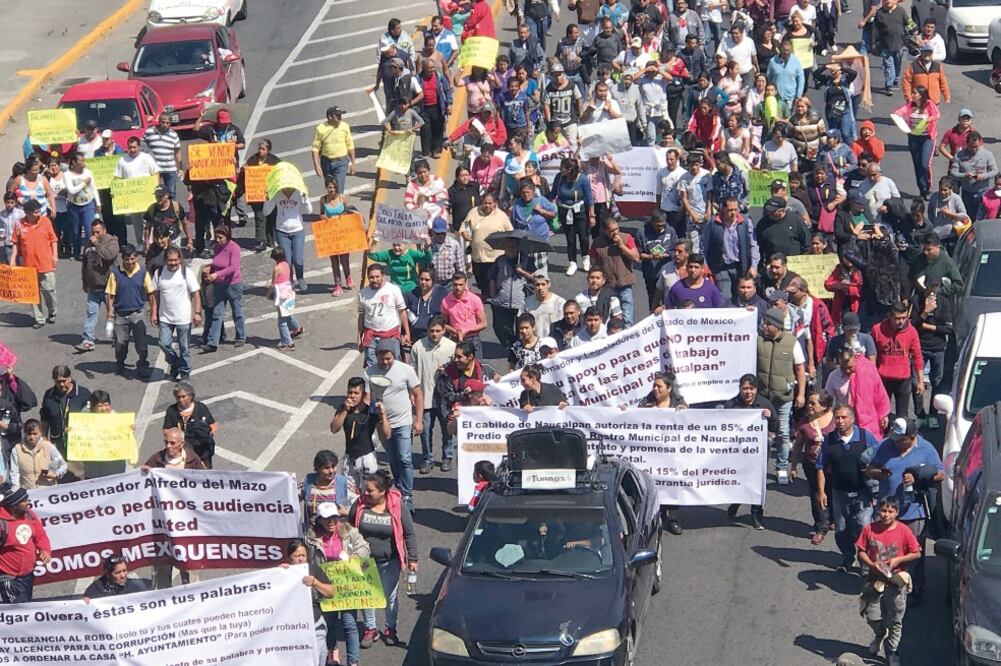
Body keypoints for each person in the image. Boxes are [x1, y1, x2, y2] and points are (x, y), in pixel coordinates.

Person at [865, 417, 945, 604]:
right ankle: (887, 584)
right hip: (887, 512)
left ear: (912, 437)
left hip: (914, 512)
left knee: (913, 552)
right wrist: (880, 474)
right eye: (895, 438)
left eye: (901, 440)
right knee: (885, 550)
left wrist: (920, 475)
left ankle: (915, 589)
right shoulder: (885, 445)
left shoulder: (926, 448)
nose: (896, 443)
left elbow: (941, 474)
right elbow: (870, 468)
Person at [349, 470, 419, 648]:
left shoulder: (397, 505)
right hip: (364, 561)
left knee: (390, 597)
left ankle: (390, 629)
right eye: (365, 489)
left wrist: (413, 558)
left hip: (390, 562)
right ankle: (370, 628)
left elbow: (409, 533)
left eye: (370, 490)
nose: (365, 493)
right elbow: (348, 526)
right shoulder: (360, 504)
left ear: (382, 491)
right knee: (367, 595)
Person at [816, 404, 881, 573]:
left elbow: (879, 458)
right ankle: (847, 558)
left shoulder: (866, 438)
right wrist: (822, 492)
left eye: (844, 417)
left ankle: (865, 563)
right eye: (837, 417)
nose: (840, 421)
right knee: (842, 528)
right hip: (839, 492)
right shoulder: (829, 440)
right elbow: (821, 467)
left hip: (862, 492)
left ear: (852, 419)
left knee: (864, 527)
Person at [855, 496, 920, 664]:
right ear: (878, 511)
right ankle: (879, 634)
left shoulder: (904, 531)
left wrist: (898, 561)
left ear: (897, 513)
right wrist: (871, 564)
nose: (886, 515)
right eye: (883, 511)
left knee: (895, 619)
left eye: (890, 512)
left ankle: (892, 651)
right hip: (874, 580)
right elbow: (861, 551)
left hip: (896, 581)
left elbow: (917, 552)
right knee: (871, 615)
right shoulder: (870, 529)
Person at [304, 504, 367, 666]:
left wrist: (354, 556)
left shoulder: (349, 531)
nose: (331, 522)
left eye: (334, 517)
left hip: (348, 586)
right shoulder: (310, 538)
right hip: (325, 587)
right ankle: (332, 658)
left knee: (349, 624)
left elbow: (365, 547)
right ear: (319, 520)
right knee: (329, 625)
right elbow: (304, 558)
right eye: (326, 519)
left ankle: (353, 661)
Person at [365, 340, 422, 510]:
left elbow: (418, 395)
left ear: (394, 355)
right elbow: (367, 398)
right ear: (376, 357)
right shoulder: (369, 373)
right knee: (393, 458)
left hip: (403, 421)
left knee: (404, 457)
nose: (385, 362)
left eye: (389, 358)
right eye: (382, 359)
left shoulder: (406, 370)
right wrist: (371, 407)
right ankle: (398, 488)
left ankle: (407, 495)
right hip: (383, 424)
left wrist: (418, 420)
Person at [758, 307, 807, 484]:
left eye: (768, 323)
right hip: (763, 396)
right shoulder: (758, 340)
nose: (764, 325)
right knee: (762, 433)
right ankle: (759, 467)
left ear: (777, 325)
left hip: (784, 397)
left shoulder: (791, 342)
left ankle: (781, 467)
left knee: (783, 432)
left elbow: (800, 369)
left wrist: (801, 394)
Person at [725, 375, 778, 530]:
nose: (748, 392)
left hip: (759, 452)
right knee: (740, 479)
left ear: (756, 390)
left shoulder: (764, 404)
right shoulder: (732, 405)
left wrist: (770, 417)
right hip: (738, 451)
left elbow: (775, 427)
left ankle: (756, 515)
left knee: (757, 483)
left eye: (751, 389)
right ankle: (736, 502)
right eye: (745, 389)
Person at [409, 317, 456, 474]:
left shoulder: (452, 347)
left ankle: (447, 457)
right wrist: (411, 394)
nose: (434, 334)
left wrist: (448, 370)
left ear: (444, 330)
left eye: (438, 331)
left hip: (445, 399)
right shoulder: (418, 347)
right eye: (431, 331)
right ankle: (427, 458)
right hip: (425, 397)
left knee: (447, 429)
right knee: (425, 431)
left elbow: (459, 370)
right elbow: (412, 371)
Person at [790, 391, 836, 545]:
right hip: (812, 465)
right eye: (809, 402)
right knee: (817, 495)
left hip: (833, 466)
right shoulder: (804, 422)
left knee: (833, 492)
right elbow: (798, 446)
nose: (809, 406)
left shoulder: (836, 421)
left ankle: (833, 519)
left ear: (824, 406)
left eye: (813, 403)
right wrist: (794, 466)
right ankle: (820, 528)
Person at [283, 539, 338, 666]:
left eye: (303, 555)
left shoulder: (314, 570)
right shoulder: (283, 573)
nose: (301, 559)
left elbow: (331, 593)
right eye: (297, 556)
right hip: (293, 628)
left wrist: (315, 583)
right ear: (289, 558)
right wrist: (279, 574)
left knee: (318, 660)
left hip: (315, 625)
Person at [150, 246, 202, 379]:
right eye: (170, 260)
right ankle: (175, 363)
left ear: (180, 260)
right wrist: (154, 312)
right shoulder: (159, 273)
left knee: (184, 348)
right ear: (165, 260)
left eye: (175, 260)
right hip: (165, 317)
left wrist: (197, 313)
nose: (173, 263)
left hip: (183, 318)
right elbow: (155, 295)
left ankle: (184, 372)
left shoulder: (186, 273)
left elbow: (196, 293)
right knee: (163, 343)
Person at [105, 244, 153, 377]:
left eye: (132, 259)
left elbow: (151, 293)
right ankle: (120, 363)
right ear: (123, 259)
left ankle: (143, 364)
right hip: (120, 315)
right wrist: (110, 312)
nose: (130, 262)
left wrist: (153, 310)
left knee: (141, 343)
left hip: (137, 313)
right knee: (120, 343)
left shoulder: (143, 272)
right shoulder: (115, 273)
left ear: (136, 258)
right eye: (127, 259)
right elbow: (110, 295)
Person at [9, 199, 58, 329]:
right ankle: (39, 318)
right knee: (33, 295)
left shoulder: (45, 221)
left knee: (49, 291)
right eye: (35, 212)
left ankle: (52, 311)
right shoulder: (19, 224)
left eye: (39, 211)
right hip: (28, 266)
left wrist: (55, 256)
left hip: (46, 263)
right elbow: (15, 243)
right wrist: (13, 259)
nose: (38, 214)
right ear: (28, 213)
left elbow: (53, 240)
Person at [0, 483, 51, 603]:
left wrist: (45, 550)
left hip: (28, 575)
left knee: (26, 604)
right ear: (13, 504)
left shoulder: (29, 514)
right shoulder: (2, 524)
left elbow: (40, 535)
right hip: (10, 578)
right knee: (18, 612)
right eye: (23, 500)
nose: (28, 502)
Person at [871, 303, 923, 419]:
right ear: (890, 316)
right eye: (897, 318)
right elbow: (871, 356)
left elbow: (917, 356)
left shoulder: (911, 331)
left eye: (904, 318)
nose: (901, 321)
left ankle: (901, 437)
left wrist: (920, 380)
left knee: (902, 417)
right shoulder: (877, 329)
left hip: (903, 380)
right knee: (881, 413)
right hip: (883, 379)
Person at [331, 377, 385, 489]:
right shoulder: (343, 409)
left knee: (368, 491)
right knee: (350, 493)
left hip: (367, 458)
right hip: (349, 458)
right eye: (350, 392)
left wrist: (383, 416)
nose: (352, 396)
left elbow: (386, 434)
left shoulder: (370, 411)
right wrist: (345, 410)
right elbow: (334, 429)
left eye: (356, 393)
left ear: (363, 394)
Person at [891, 86, 940, 200]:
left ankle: (928, 187)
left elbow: (937, 114)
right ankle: (922, 189)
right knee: (917, 165)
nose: (912, 95)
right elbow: (898, 113)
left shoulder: (929, 104)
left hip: (927, 138)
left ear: (921, 95)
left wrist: (928, 119)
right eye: (912, 93)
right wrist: (898, 118)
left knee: (924, 163)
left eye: (915, 93)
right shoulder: (910, 106)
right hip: (913, 138)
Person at [203, 225, 246, 352]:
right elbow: (217, 263)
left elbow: (233, 267)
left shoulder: (234, 248)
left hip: (233, 285)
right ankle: (212, 342)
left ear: (227, 237)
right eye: (216, 237)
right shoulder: (216, 247)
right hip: (219, 285)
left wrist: (216, 274)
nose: (218, 240)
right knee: (217, 313)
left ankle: (240, 336)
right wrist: (210, 268)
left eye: (220, 238)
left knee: (237, 312)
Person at [233, 139, 281, 253]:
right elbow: (243, 174)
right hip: (257, 196)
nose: (260, 151)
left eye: (263, 149)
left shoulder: (274, 161)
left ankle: (271, 238)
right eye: (259, 148)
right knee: (260, 218)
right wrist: (244, 170)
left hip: (270, 196)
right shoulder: (253, 159)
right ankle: (261, 241)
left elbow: (281, 172)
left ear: (268, 150)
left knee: (271, 217)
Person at [78, 220, 119, 351]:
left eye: (98, 232)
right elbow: (85, 264)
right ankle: (88, 339)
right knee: (91, 314)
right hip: (93, 287)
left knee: (113, 314)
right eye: (93, 232)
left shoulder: (111, 242)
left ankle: (118, 338)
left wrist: (97, 244)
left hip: (108, 286)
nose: (95, 235)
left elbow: (109, 255)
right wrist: (85, 281)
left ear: (104, 231)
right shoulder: (88, 244)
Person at [549, 157, 594, 276]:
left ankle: (586, 258)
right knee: (570, 238)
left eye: (562, 167)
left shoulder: (583, 179)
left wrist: (592, 214)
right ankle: (572, 262)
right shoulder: (559, 178)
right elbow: (553, 194)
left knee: (584, 237)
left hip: (580, 211)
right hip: (565, 211)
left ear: (570, 169)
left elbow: (589, 198)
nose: (560, 169)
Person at [264, 182, 312, 293]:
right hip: (282, 231)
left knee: (298, 260)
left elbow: (308, 211)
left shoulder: (299, 193)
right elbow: (266, 212)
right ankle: (289, 280)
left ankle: (300, 277)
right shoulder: (277, 194)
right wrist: (267, 199)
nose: (287, 189)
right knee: (287, 261)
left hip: (297, 230)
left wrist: (305, 198)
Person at [489, 238, 536, 350]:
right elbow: (492, 279)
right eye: (508, 246)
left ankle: (519, 347)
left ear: (518, 247)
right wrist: (493, 296)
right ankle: (510, 345)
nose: (510, 249)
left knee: (521, 328)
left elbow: (535, 279)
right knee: (500, 328)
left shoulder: (526, 260)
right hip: (501, 301)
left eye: (513, 246)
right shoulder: (499, 260)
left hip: (520, 302)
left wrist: (522, 272)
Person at [161, 381, 217, 468]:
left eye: (183, 396)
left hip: (202, 450)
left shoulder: (201, 408)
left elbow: (212, 424)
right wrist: (177, 435)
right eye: (178, 397)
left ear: (191, 396)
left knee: (205, 474)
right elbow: (166, 430)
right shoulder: (172, 411)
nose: (180, 400)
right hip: (183, 453)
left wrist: (206, 433)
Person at [38, 366, 90, 455]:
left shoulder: (83, 394)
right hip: (57, 445)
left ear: (70, 378)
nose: (61, 384)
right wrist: (44, 437)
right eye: (58, 382)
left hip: (79, 443)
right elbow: (45, 419)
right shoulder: (49, 395)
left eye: (64, 381)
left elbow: (90, 418)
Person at [948, 131, 998, 220]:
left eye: (976, 146)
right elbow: (953, 173)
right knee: (968, 217)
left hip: (984, 191)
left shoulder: (987, 154)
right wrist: (964, 175)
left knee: (983, 217)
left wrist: (984, 176)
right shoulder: (959, 155)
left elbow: (995, 170)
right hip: (967, 192)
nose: (974, 149)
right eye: (971, 147)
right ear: (967, 143)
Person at [8, 418, 66, 489]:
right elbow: (14, 473)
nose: (32, 437)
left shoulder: (48, 446)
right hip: (28, 492)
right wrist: (16, 491)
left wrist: (56, 474)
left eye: (35, 434)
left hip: (48, 491)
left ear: (40, 433)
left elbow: (63, 464)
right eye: (29, 434)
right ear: (24, 433)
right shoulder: (17, 450)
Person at [311, 106, 356, 195]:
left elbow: (350, 145)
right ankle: (332, 206)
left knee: (338, 188)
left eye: (340, 115)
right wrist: (316, 165)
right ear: (330, 117)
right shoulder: (321, 128)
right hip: (326, 162)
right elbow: (315, 148)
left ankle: (339, 207)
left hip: (341, 162)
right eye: (337, 116)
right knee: (330, 187)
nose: (340, 118)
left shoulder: (344, 126)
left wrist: (353, 163)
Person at [269, 246, 303, 353]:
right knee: (288, 314)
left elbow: (273, 284)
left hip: (281, 295)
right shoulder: (286, 264)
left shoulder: (277, 268)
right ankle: (297, 328)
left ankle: (288, 343)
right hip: (288, 292)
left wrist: (268, 294)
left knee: (282, 321)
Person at [142, 114, 181, 198]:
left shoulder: (174, 135)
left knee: (171, 193)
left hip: (170, 168)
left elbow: (177, 152)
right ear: (159, 122)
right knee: (154, 192)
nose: (165, 125)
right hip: (154, 169)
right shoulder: (149, 132)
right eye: (163, 122)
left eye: (168, 123)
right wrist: (148, 154)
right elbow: (142, 145)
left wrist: (180, 168)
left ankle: (172, 210)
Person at [83, 555, 150, 600]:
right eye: (118, 573)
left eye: (124, 571)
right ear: (108, 574)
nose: (123, 575)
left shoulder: (140, 586)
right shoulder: (94, 591)